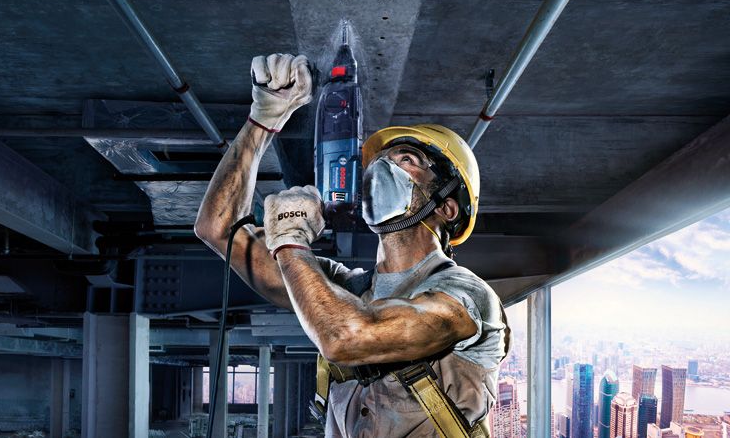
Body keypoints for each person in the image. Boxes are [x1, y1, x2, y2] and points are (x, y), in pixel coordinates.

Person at [195, 53, 509, 438]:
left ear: (445, 206)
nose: (381, 169)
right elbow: (218, 229)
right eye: (378, 161)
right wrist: (265, 118)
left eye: (407, 159)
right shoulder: (342, 290)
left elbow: (348, 338)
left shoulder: (467, 298)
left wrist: (292, 243)